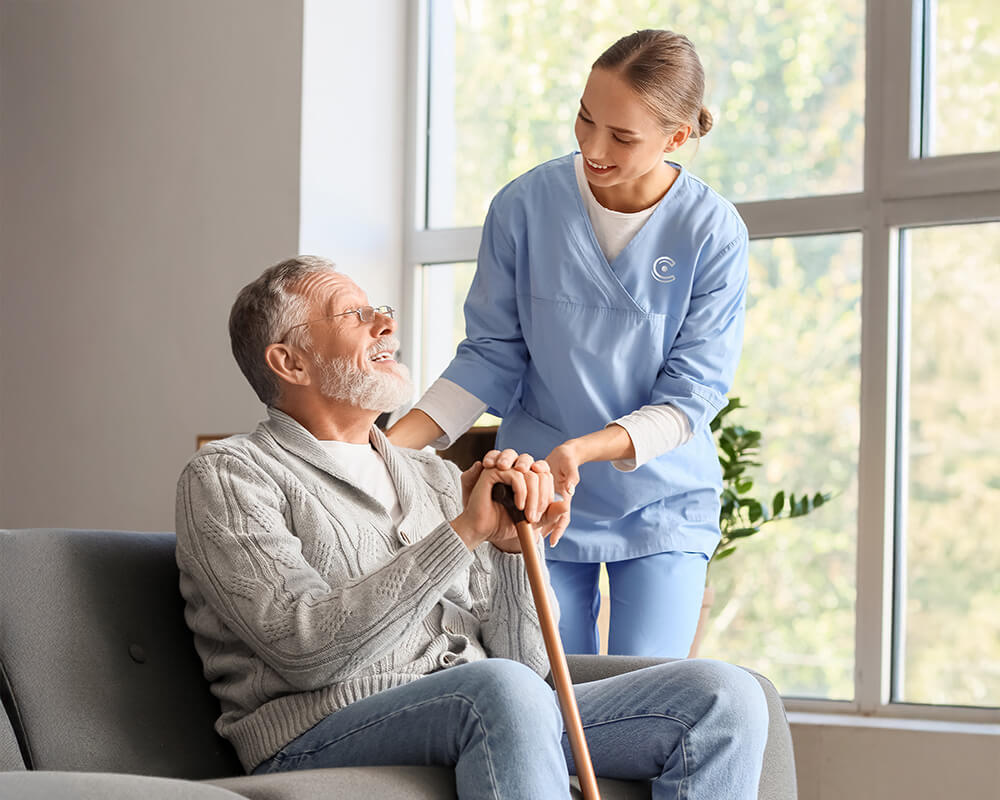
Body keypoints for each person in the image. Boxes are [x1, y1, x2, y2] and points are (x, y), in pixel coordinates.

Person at [175, 256, 767, 799]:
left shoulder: (432, 475)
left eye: (381, 310)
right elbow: (304, 650)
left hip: (484, 705)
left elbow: (527, 669)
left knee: (724, 698)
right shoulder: (230, 474)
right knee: (499, 692)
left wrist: (511, 550)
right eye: (355, 315)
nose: (386, 324)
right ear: (290, 361)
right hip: (317, 728)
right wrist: (460, 534)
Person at [387, 29, 748, 658]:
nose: (593, 147)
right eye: (585, 118)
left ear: (676, 138)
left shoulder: (711, 233)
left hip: (661, 499)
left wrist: (582, 450)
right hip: (537, 493)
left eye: (622, 137)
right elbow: (490, 356)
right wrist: (381, 452)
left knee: (647, 690)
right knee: (554, 685)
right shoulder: (524, 207)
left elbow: (691, 395)